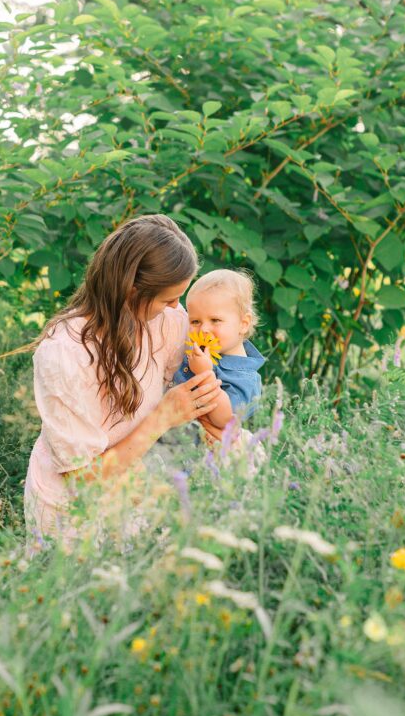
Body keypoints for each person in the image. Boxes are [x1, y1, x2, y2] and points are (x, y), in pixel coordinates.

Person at [23, 214, 223, 544]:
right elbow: (81, 477)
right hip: (68, 513)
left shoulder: (164, 322)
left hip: (128, 492)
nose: (178, 308)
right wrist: (163, 418)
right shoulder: (63, 355)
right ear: (131, 292)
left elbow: (213, 359)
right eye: (168, 299)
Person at [169, 268, 266, 448]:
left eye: (215, 320)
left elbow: (224, 420)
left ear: (243, 324)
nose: (204, 329)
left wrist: (205, 374)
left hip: (189, 455)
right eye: (195, 321)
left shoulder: (246, 378)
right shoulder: (197, 351)